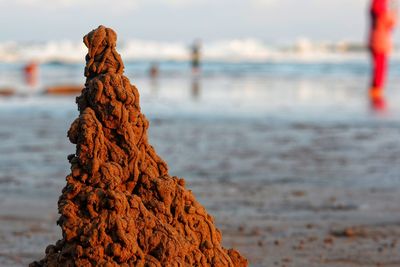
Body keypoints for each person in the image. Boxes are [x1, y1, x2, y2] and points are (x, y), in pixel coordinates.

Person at [368, 0, 397, 108]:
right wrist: (393, 11)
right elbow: (389, 23)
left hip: (376, 40)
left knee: (378, 70)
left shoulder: (376, 6)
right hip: (380, 42)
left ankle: (375, 96)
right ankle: (376, 98)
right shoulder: (379, 6)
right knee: (380, 70)